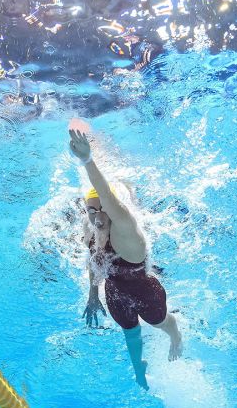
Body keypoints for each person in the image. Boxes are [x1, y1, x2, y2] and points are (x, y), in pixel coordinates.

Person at [69, 121, 182, 390]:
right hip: (115, 291)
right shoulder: (91, 225)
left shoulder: (125, 231)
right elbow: (93, 259)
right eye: (90, 210)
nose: (96, 216)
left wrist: (86, 161)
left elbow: (106, 195)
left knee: (157, 322)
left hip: (143, 289)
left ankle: (175, 332)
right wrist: (93, 295)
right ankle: (139, 370)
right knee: (129, 330)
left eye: (101, 209)